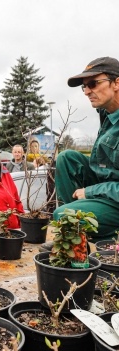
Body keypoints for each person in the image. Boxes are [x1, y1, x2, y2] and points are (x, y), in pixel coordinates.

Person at [52, 56, 119, 242]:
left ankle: (75, 228)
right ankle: (76, 236)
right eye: (85, 86)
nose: (87, 91)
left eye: (93, 84)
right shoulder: (107, 114)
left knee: (64, 216)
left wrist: (91, 192)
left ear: (117, 83)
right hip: (107, 193)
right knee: (67, 159)